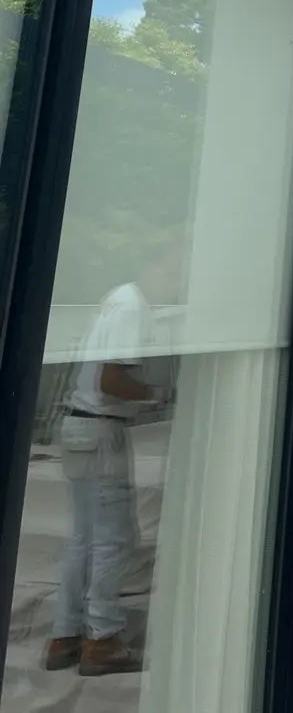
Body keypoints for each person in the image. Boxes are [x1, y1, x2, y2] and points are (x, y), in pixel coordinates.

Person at [43, 251, 179, 678]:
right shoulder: (133, 307)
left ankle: (65, 636)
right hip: (102, 431)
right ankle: (102, 640)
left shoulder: (115, 300)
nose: (176, 283)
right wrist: (159, 395)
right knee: (113, 540)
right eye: (171, 271)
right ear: (149, 266)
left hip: (80, 426)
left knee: (84, 539)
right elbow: (112, 381)